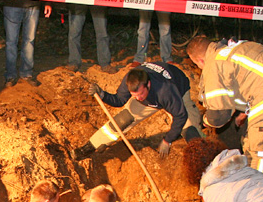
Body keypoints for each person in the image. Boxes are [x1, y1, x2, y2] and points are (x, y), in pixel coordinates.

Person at [187, 36, 263, 177]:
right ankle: (248, 176)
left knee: (261, 151)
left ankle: (258, 189)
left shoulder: (213, 64)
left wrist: (205, 121)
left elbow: (219, 116)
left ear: (200, 61)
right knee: (250, 143)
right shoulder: (232, 48)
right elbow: (251, 79)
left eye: (197, 65)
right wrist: (245, 112)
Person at [74, 62, 203, 160]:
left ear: (148, 85)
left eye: (140, 94)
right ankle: (88, 148)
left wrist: (167, 140)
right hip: (152, 99)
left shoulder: (166, 90)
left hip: (178, 91)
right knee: (123, 120)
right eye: (134, 95)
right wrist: (102, 94)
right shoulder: (130, 81)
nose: (137, 98)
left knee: (190, 132)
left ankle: (207, 163)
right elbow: (119, 100)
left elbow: (180, 116)